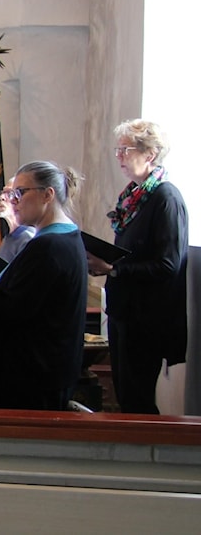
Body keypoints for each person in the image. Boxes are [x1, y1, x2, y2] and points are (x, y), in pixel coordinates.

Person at [0, 162, 88, 411]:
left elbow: (11, 309)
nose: (13, 201)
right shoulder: (64, 237)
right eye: (11, 193)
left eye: (20, 193)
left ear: (48, 195)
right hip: (42, 371)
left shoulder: (49, 246)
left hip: (33, 375)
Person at [88, 119, 188, 414]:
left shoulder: (166, 198)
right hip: (125, 312)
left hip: (147, 318)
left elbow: (168, 265)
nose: (118, 156)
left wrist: (113, 269)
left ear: (150, 154)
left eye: (125, 149)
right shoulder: (134, 198)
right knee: (125, 396)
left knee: (138, 402)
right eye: (117, 149)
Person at [0, 182, 35, 262]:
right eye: (2, 193)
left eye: (9, 193)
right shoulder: (8, 238)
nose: (2, 197)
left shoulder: (28, 238)